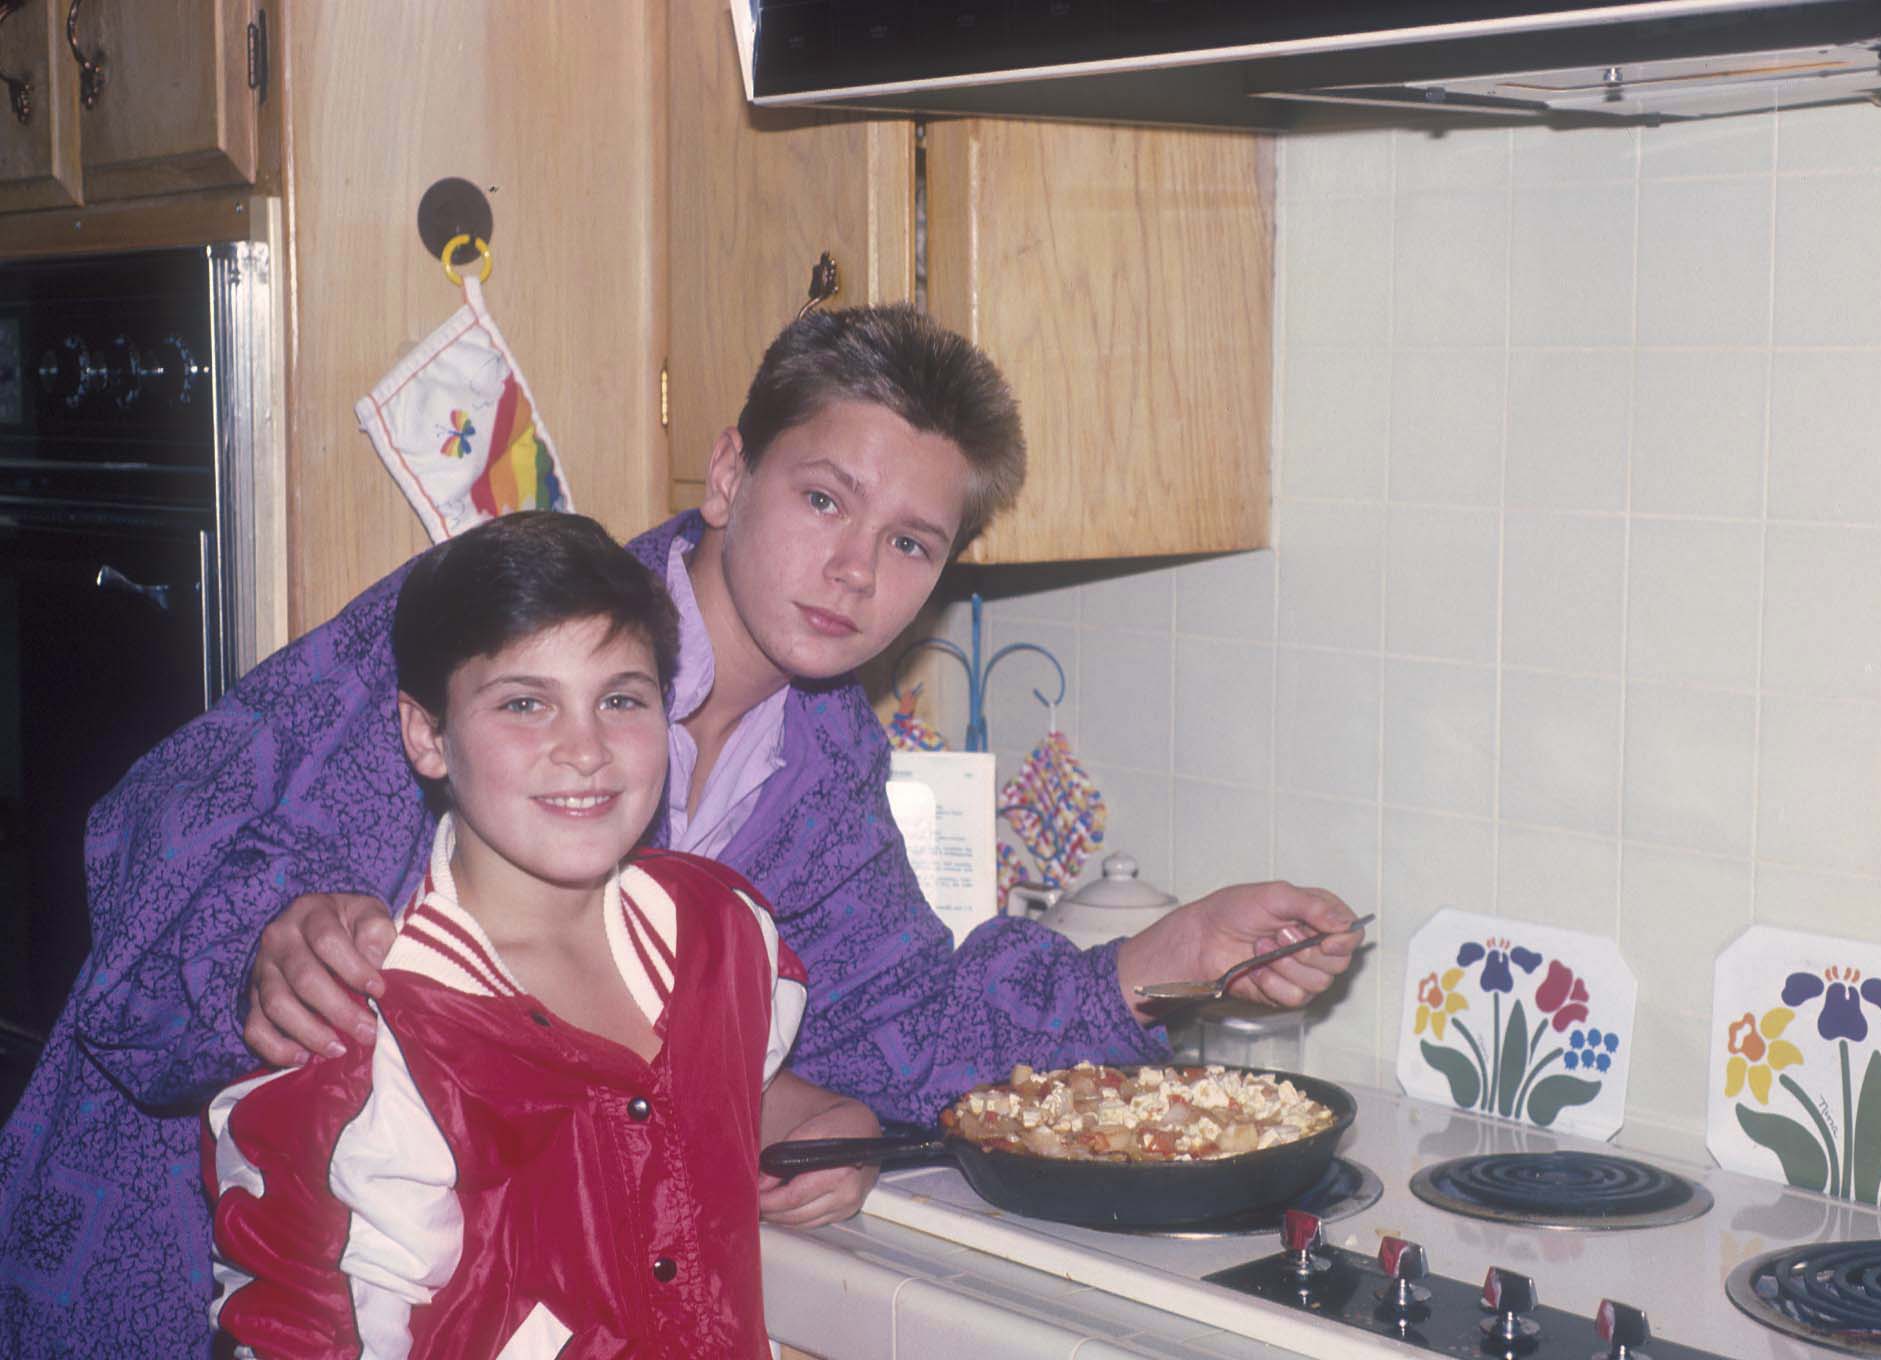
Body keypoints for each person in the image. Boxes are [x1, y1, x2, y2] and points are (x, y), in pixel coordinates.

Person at [0, 304, 1363, 1357]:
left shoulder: (821, 766)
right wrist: (264, 949)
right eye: (825, 498)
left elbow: (901, 1029)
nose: (852, 572)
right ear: (730, 472)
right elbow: (157, 847)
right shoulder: (521, 619)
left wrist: (1164, 958)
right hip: (180, 1269)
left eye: (912, 543)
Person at [204, 511, 869, 1357]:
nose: (585, 750)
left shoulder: (725, 932)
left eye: (621, 699)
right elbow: (308, 1324)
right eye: (526, 703)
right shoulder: (374, 1037)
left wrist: (835, 1126)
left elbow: (724, 1089)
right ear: (428, 735)